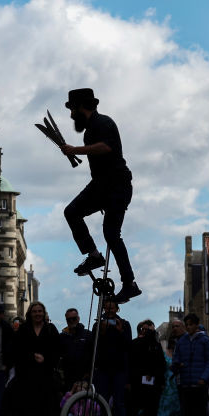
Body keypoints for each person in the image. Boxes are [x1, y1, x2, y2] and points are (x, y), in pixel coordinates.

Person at [61, 88, 140, 304]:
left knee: (111, 234)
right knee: (72, 212)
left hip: (116, 186)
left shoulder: (103, 122)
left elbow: (105, 147)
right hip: (102, 186)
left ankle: (129, 284)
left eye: (72, 109)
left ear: (80, 107)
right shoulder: (91, 129)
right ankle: (95, 256)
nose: (70, 115)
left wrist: (75, 150)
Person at [10, 301, 61, 416]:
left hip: (46, 374)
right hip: (27, 375)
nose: (37, 314)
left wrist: (45, 359)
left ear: (43, 313)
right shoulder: (23, 329)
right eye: (34, 311)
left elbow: (57, 351)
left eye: (40, 311)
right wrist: (32, 356)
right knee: (29, 406)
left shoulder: (50, 329)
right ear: (30, 314)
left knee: (47, 405)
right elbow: (17, 350)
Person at [93, 299, 132, 416]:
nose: (109, 310)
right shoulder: (98, 324)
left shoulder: (125, 324)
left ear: (117, 309)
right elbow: (94, 346)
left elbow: (128, 346)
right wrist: (101, 332)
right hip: (103, 369)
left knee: (119, 404)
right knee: (102, 403)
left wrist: (121, 332)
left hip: (119, 369)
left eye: (112, 307)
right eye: (106, 307)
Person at [173, 313, 209, 416]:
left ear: (196, 325)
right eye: (187, 325)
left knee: (200, 411)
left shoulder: (205, 341)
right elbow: (176, 358)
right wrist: (177, 365)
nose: (189, 327)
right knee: (187, 412)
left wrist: (204, 377)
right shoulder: (182, 341)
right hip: (185, 381)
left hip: (199, 382)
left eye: (191, 324)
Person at [128, 319, 166, 416]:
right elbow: (131, 363)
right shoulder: (134, 344)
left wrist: (156, 377)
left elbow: (161, 364)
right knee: (134, 411)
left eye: (149, 329)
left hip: (152, 383)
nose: (146, 332)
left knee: (151, 412)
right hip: (137, 382)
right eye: (144, 329)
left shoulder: (156, 345)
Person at [59, 307, 92, 391]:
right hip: (68, 378)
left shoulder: (88, 334)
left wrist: (89, 373)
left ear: (78, 318)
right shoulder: (62, 337)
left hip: (85, 378)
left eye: (74, 318)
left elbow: (94, 355)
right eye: (68, 319)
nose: (71, 321)